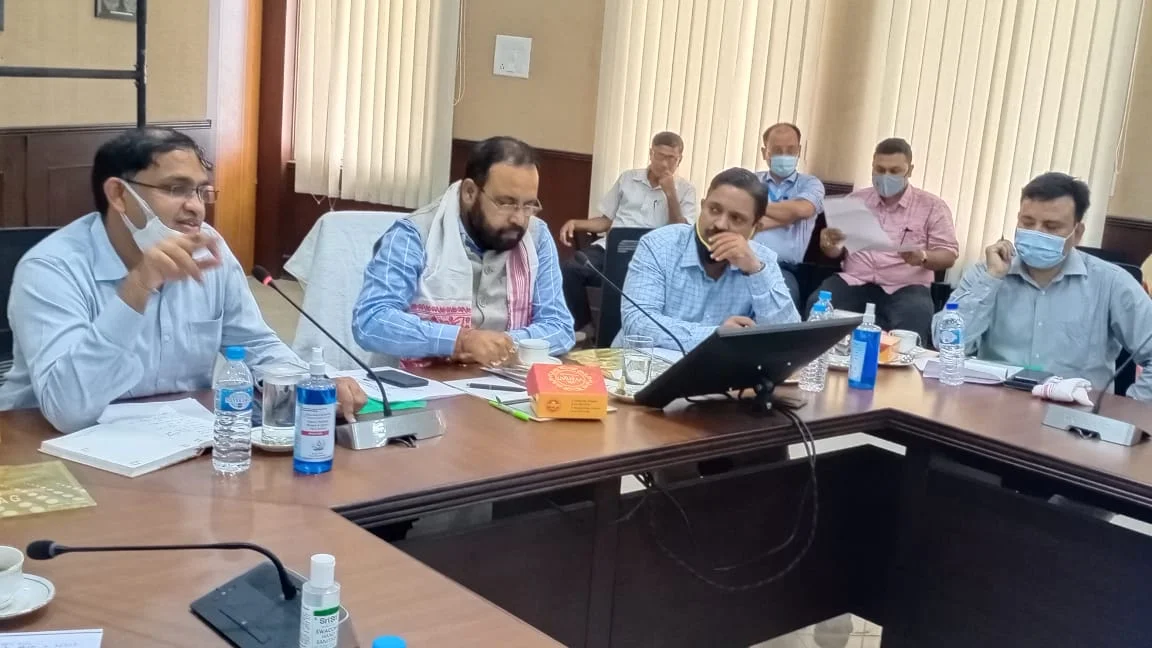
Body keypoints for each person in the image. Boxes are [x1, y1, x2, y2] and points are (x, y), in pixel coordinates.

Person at [0, 128, 366, 433]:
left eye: (201, 191)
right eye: (176, 189)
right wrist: (137, 289)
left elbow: (255, 344)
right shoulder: (51, 269)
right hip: (45, 448)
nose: (196, 207)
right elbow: (67, 411)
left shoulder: (208, 248)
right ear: (119, 195)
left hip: (178, 441)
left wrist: (310, 383)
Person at [352, 136, 575, 366]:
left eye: (528, 205)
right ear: (469, 192)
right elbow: (371, 321)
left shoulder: (536, 237)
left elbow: (559, 327)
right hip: (411, 383)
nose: (519, 219)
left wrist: (498, 346)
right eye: (506, 203)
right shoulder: (414, 234)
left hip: (499, 381)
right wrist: (459, 341)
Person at [938, 172, 1152, 401]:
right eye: (1027, 223)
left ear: (1077, 233)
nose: (1037, 232)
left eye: (1051, 226)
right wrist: (991, 281)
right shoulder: (986, 272)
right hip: (991, 403)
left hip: (1073, 412)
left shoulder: (1111, 283)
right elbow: (945, 344)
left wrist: (1127, 410)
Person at [616, 167, 799, 351]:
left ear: (755, 228)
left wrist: (755, 272)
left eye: (736, 218)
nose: (720, 224)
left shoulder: (761, 261)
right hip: (647, 365)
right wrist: (717, 336)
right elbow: (637, 323)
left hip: (721, 369)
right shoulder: (659, 245)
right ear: (703, 206)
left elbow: (788, 341)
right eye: (714, 210)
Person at [810, 138, 958, 342]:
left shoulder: (932, 206)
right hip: (855, 280)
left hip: (906, 286)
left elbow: (948, 254)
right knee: (816, 308)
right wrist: (829, 246)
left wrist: (923, 257)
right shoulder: (855, 201)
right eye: (879, 169)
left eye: (894, 171)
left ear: (910, 170)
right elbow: (836, 251)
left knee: (915, 321)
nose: (885, 176)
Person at [558, 131, 698, 336]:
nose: (665, 164)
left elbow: (681, 231)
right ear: (651, 153)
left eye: (671, 159)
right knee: (571, 269)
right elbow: (606, 220)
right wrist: (575, 223)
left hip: (653, 258)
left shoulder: (685, 190)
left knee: (628, 282)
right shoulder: (628, 178)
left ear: (680, 160)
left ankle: (625, 334)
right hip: (612, 248)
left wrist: (670, 193)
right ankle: (585, 326)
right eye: (660, 156)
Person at [752, 123, 826, 308]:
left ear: (799, 151)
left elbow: (803, 210)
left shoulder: (811, 184)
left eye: (790, 150)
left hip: (784, 268)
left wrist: (754, 209)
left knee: (784, 305)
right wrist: (789, 216)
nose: (784, 155)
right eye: (777, 150)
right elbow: (737, 215)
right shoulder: (750, 181)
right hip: (742, 260)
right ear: (765, 152)